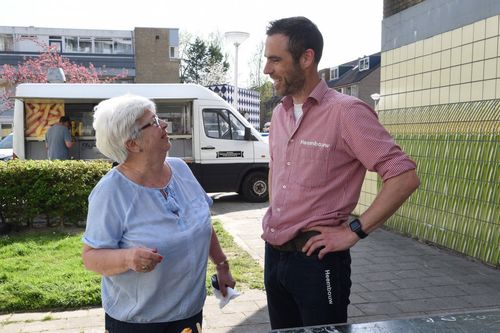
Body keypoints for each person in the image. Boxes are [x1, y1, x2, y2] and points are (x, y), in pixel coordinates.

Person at [262, 16, 420, 329]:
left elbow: (404, 176)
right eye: (267, 59)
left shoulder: (346, 112)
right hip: (274, 256)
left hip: (316, 262)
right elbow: (275, 171)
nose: (267, 70)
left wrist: (354, 231)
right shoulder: (279, 113)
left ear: (307, 58)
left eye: (275, 59)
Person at [81, 94, 235, 333]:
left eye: (158, 118)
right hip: (139, 323)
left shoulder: (181, 169)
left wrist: (222, 265)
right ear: (132, 144)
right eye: (152, 123)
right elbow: (91, 257)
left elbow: (202, 222)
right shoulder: (111, 191)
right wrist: (128, 258)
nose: (163, 124)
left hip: (189, 314)